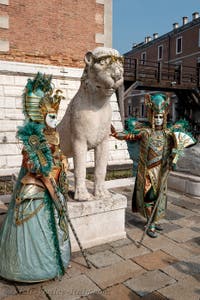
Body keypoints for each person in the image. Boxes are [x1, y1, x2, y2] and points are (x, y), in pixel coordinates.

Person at [0, 73, 71, 282]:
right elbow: (30, 164)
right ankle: (30, 268)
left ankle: (53, 263)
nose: (54, 121)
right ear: (41, 115)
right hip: (36, 188)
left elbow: (57, 157)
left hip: (52, 185)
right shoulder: (32, 137)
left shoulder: (53, 135)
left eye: (56, 116)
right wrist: (40, 165)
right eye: (50, 116)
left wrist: (60, 163)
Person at [111, 93, 196, 238]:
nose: (158, 120)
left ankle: (155, 221)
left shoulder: (168, 134)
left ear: (164, 117)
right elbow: (129, 135)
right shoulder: (145, 132)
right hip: (148, 172)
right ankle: (150, 223)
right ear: (151, 116)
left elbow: (177, 148)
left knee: (159, 197)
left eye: (160, 117)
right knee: (149, 196)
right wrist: (114, 134)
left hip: (161, 171)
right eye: (156, 116)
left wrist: (174, 158)